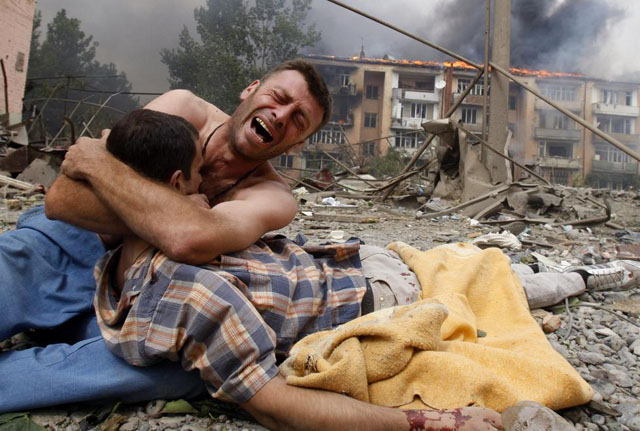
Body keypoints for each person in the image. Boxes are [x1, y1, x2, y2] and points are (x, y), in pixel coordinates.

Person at [0, 60, 503, 429]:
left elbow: (188, 238)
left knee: (172, 370)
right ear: (252, 89)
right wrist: (165, 211)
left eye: (298, 120)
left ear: (295, 144)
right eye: (279, 98)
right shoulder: (181, 111)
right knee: (19, 265)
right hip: (78, 246)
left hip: (145, 281)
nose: (282, 115)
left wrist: (96, 163)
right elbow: (62, 202)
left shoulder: (272, 196)